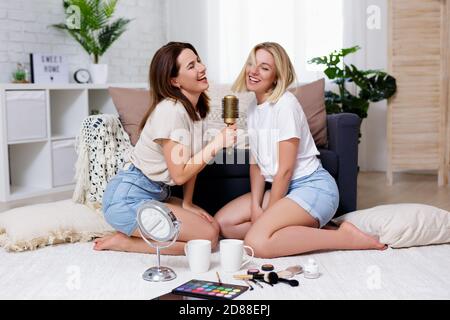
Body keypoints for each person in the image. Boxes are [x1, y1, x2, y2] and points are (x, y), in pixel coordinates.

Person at [214, 42, 386, 258]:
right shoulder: (252, 109)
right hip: (288, 191)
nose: (253, 71)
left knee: (255, 243)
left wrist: (268, 215)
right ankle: (308, 231)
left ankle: (343, 237)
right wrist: (257, 207)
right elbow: (256, 165)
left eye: (264, 68)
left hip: (314, 188)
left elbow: (285, 170)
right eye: (251, 63)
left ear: (276, 76)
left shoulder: (285, 104)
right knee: (223, 224)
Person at [94, 42, 237, 254]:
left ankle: (135, 235)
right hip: (126, 200)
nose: (201, 67)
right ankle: (125, 242)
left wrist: (188, 203)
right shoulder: (171, 111)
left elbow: (191, 160)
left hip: (156, 194)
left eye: (198, 60)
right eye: (191, 66)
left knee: (213, 229)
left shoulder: (195, 111)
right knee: (207, 239)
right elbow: (179, 175)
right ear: (174, 80)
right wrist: (217, 144)